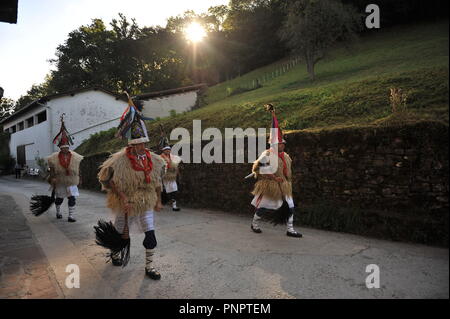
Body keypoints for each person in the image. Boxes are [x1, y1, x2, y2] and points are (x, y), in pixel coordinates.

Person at [97, 94, 166, 280]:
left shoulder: (156, 161)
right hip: (124, 203)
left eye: (143, 143)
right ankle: (116, 252)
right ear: (132, 144)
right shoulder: (119, 161)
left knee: (150, 235)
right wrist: (122, 196)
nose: (142, 146)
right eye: (137, 144)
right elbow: (107, 179)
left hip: (146, 202)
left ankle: (149, 267)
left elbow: (158, 181)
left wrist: (158, 200)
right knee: (120, 233)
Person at [250, 104, 302, 238]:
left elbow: (287, 171)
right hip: (271, 186)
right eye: (280, 143)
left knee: (290, 206)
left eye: (283, 143)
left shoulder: (285, 156)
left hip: (284, 185)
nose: (283, 145)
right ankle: (255, 224)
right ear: (274, 144)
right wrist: (273, 177)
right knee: (264, 207)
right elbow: (257, 168)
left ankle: (290, 229)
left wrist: (286, 180)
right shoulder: (266, 154)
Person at [47, 114, 83, 222]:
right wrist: (52, 178)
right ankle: (58, 212)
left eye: (67, 148)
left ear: (68, 147)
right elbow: (52, 169)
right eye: (63, 148)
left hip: (72, 180)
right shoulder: (54, 158)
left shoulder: (75, 156)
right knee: (59, 198)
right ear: (60, 148)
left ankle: (71, 216)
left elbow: (78, 167)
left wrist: (80, 178)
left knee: (72, 198)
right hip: (60, 180)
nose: (65, 149)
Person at [160, 145, 182, 211]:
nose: (168, 151)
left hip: (172, 177)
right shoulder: (160, 158)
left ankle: (174, 206)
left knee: (174, 191)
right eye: (166, 150)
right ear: (163, 151)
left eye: (169, 150)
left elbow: (176, 166)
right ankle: (161, 203)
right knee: (165, 191)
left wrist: (178, 174)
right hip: (165, 177)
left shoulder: (172, 157)